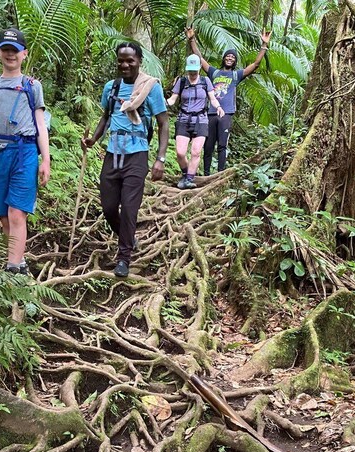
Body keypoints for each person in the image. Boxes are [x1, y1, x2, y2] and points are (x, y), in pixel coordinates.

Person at [82, 42, 169, 278]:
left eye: (130, 60)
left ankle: (124, 258)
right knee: (109, 207)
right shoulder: (111, 87)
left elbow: (163, 124)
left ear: (140, 61)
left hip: (137, 154)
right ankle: (128, 238)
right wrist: (94, 140)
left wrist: (160, 158)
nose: (125, 64)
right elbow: (105, 116)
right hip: (113, 153)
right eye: (121, 60)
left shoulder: (151, 88)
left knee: (130, 208)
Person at [0, 27, 51, 275]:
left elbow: (41, 124)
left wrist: (45, 160)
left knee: (17, 212)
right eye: (6, 50)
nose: (10, 55)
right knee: (4, 217)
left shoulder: (31, 86)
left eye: (15, 50)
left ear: (24, 54)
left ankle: (13, 268)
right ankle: (16, 259)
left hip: (25, 152)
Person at [187, 28, 272, 176]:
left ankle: (220, 174)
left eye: (233, 57)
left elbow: (256, 64)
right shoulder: (214, 73)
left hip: (226, 113)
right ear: (224, 58)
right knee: (208, 145)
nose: (230, 58)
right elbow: (200, 59)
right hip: (212, 112)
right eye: (228, 56)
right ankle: (206, 174)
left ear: (235, 61)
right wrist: (192, 39)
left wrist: (263, 45)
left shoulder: (236, 75)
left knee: (221, 145)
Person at [166, 54, 224, 189]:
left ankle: (189, 179)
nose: (192, 73)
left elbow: (213, 98)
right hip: (184, 119)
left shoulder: (205, 81)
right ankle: (186, 174)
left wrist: (219, 107)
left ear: (199, 69)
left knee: (196, 152)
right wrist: (163, 102)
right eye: (190, 70)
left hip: (201, 120)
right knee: (180, 152)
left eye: (194, 70)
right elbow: (173, 99)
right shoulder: (181, 82)